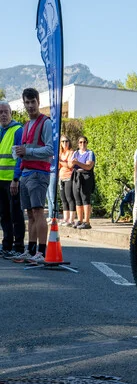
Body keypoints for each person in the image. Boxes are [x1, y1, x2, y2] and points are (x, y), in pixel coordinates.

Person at [12, 88, 53, 264]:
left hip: (39, 173)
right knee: (30, 214)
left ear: (38, 101)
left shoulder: (46, 122)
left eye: (32, 102)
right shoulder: (26, 125)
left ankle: (41, 252)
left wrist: (27, 151)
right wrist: (17, 176)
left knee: (38, 212)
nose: (30, 106)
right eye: (27, 102)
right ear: (24, 104)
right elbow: (24, 151)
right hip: (26, 173)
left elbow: (50, 150)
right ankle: (31, 251)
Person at [0, 101, 25, 260]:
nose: (3, 114)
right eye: (0, 112)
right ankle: (7, 245)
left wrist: (15, 179)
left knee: (15, 214)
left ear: (11, 113)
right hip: (0, 180)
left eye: (6, 111)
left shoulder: (17, 130)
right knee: (3, 215)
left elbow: (20, 158)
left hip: (12, 181)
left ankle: (19, 246)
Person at [69, 136, 95, 229]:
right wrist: (73, 163)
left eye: (84, 142)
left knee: (85, 198)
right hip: (76, 176)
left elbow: (88, 166)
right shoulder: (75, 153)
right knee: (77, 198)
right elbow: (70, 164)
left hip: (86, 176)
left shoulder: (90, 153)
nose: (82, 144)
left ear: (87, 143)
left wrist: (77, 163)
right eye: (80, 142)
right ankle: (79, 220)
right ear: (78, 144)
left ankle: (86, 221)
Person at [58, 136, 75, 226]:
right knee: (63, 199)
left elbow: (69, 165)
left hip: (69, 177)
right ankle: (66, 218)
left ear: (69, 142)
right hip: (61, 177)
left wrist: (60, 161)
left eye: (66, 141)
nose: (65, 143)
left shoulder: (71, 152)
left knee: (69, 198)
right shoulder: (61, 153)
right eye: (63, 141)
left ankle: (71, 219)